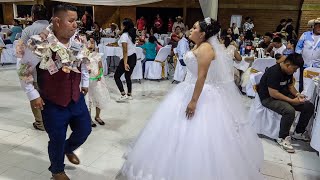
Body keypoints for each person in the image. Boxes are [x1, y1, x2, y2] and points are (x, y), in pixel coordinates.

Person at [116, 17, 263, 180]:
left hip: (201, 92)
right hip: (187, 87)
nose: (191, 30)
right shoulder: (199, 45)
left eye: (194, 28)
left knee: (199, 132)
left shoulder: (206, 48)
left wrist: (193, 101)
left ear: (203, 33)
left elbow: (202, 76)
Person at [17, 4, 92, 179]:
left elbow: (84, 62)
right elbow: (23, 70)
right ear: (57, 21)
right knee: (56, 138)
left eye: (76, 21)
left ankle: (67, 148)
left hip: (76, 97)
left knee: (85, 130)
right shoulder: (39, 42)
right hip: (52, 101)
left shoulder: (78, 40)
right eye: (71, 21)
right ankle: (57, 170)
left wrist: (85, 82)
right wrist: (33, 94)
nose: (76, 25)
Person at [258, 53, 314, 153]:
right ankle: (283, 137)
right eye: (294, 69)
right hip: (268, 98)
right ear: (288, 64)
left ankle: (298, 132)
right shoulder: (274, 72)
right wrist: (292, 101)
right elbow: (274, 93)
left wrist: (297, 94)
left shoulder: (288, 71)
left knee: (308, 106)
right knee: (289, 110)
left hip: (282, 94)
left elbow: (290, 86)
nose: (295, 71)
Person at [19, 4, 49, 131]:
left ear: (33, 15)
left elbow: (22, 52)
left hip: (35, 70)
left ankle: (40, 123)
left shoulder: (28, 30)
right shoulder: (53, 29)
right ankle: (53, 120)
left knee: (34, 94)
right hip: (53, 70)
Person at [114, 18, 137, 102]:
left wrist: (125, 63)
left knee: (116, 76)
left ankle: (123, 94)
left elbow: (125, 51)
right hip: (133, 57)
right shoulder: (131, 34)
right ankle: (129, 94)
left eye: (122, 24)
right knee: (127, 76)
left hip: (128, 57)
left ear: (124, 26)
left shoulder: (125, 36)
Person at [87, 50, 110, 127]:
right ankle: (89, 118)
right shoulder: (84, 55)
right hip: (88, 80)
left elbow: (100, 67)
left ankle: (97, 116)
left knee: (99, 97)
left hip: (97, 80)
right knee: (88, 99)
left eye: (93, 43)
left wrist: (99, 75)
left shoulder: (97, 55)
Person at [296, 18, 320, 92]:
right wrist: (298, 58)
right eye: (318, 26)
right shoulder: (305, 35)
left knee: (315, 83)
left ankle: (311, 98)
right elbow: (298, 47)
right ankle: (300, 96)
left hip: (317, 65)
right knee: (302, 81)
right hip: (304, 63)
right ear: (313, 26)